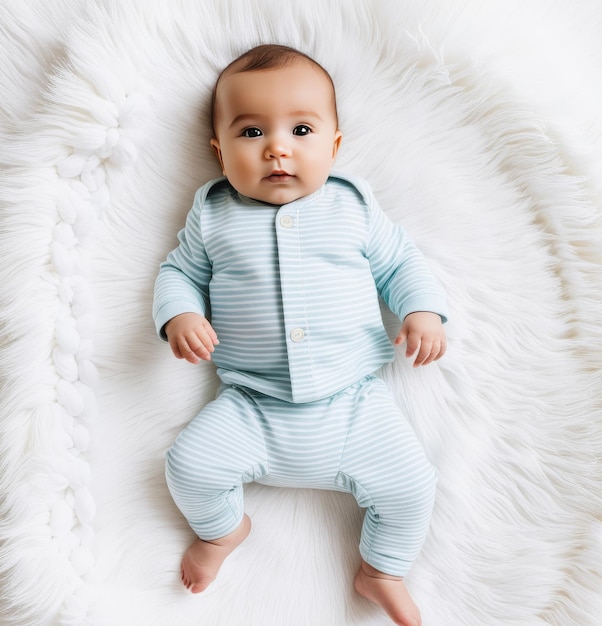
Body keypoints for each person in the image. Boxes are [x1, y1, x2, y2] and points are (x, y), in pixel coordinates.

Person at [153, 44, 448, 626]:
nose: (277, 147)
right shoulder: (213, 213)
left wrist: (424, 312)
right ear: (218, 152)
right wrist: (179, 316)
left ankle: (381, 570)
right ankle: (223, 531)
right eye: (251, 131)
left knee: (413, 487)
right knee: (187, 467)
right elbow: (179, 272)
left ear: (334, 147)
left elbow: (400, 264)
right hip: (251, 406)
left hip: (354, 404)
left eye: (302, 128)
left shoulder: (352, 205)